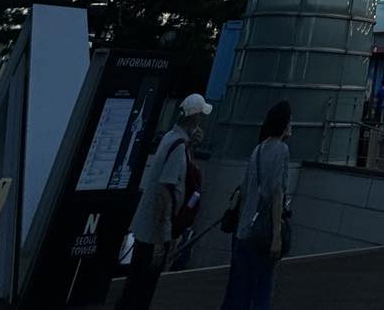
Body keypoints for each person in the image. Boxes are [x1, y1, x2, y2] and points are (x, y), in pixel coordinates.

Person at [119, 92, 211, 310]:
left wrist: (191, 146)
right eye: (200, 117)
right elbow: (166, 189)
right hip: (156, 229)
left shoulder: (170, 138)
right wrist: (165, 234)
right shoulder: (178, 146)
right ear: (195, 118)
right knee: (144, 285)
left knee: (135, 283)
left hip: (146, 224)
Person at [219, 99, 290, 310]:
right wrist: (276, 236)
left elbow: (244, 189)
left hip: (244, 231)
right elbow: (277, 194)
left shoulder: (258, 149)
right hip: (262, 234)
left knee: (240, 289)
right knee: (262, 291)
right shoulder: (282, 150)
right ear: (285, 123)